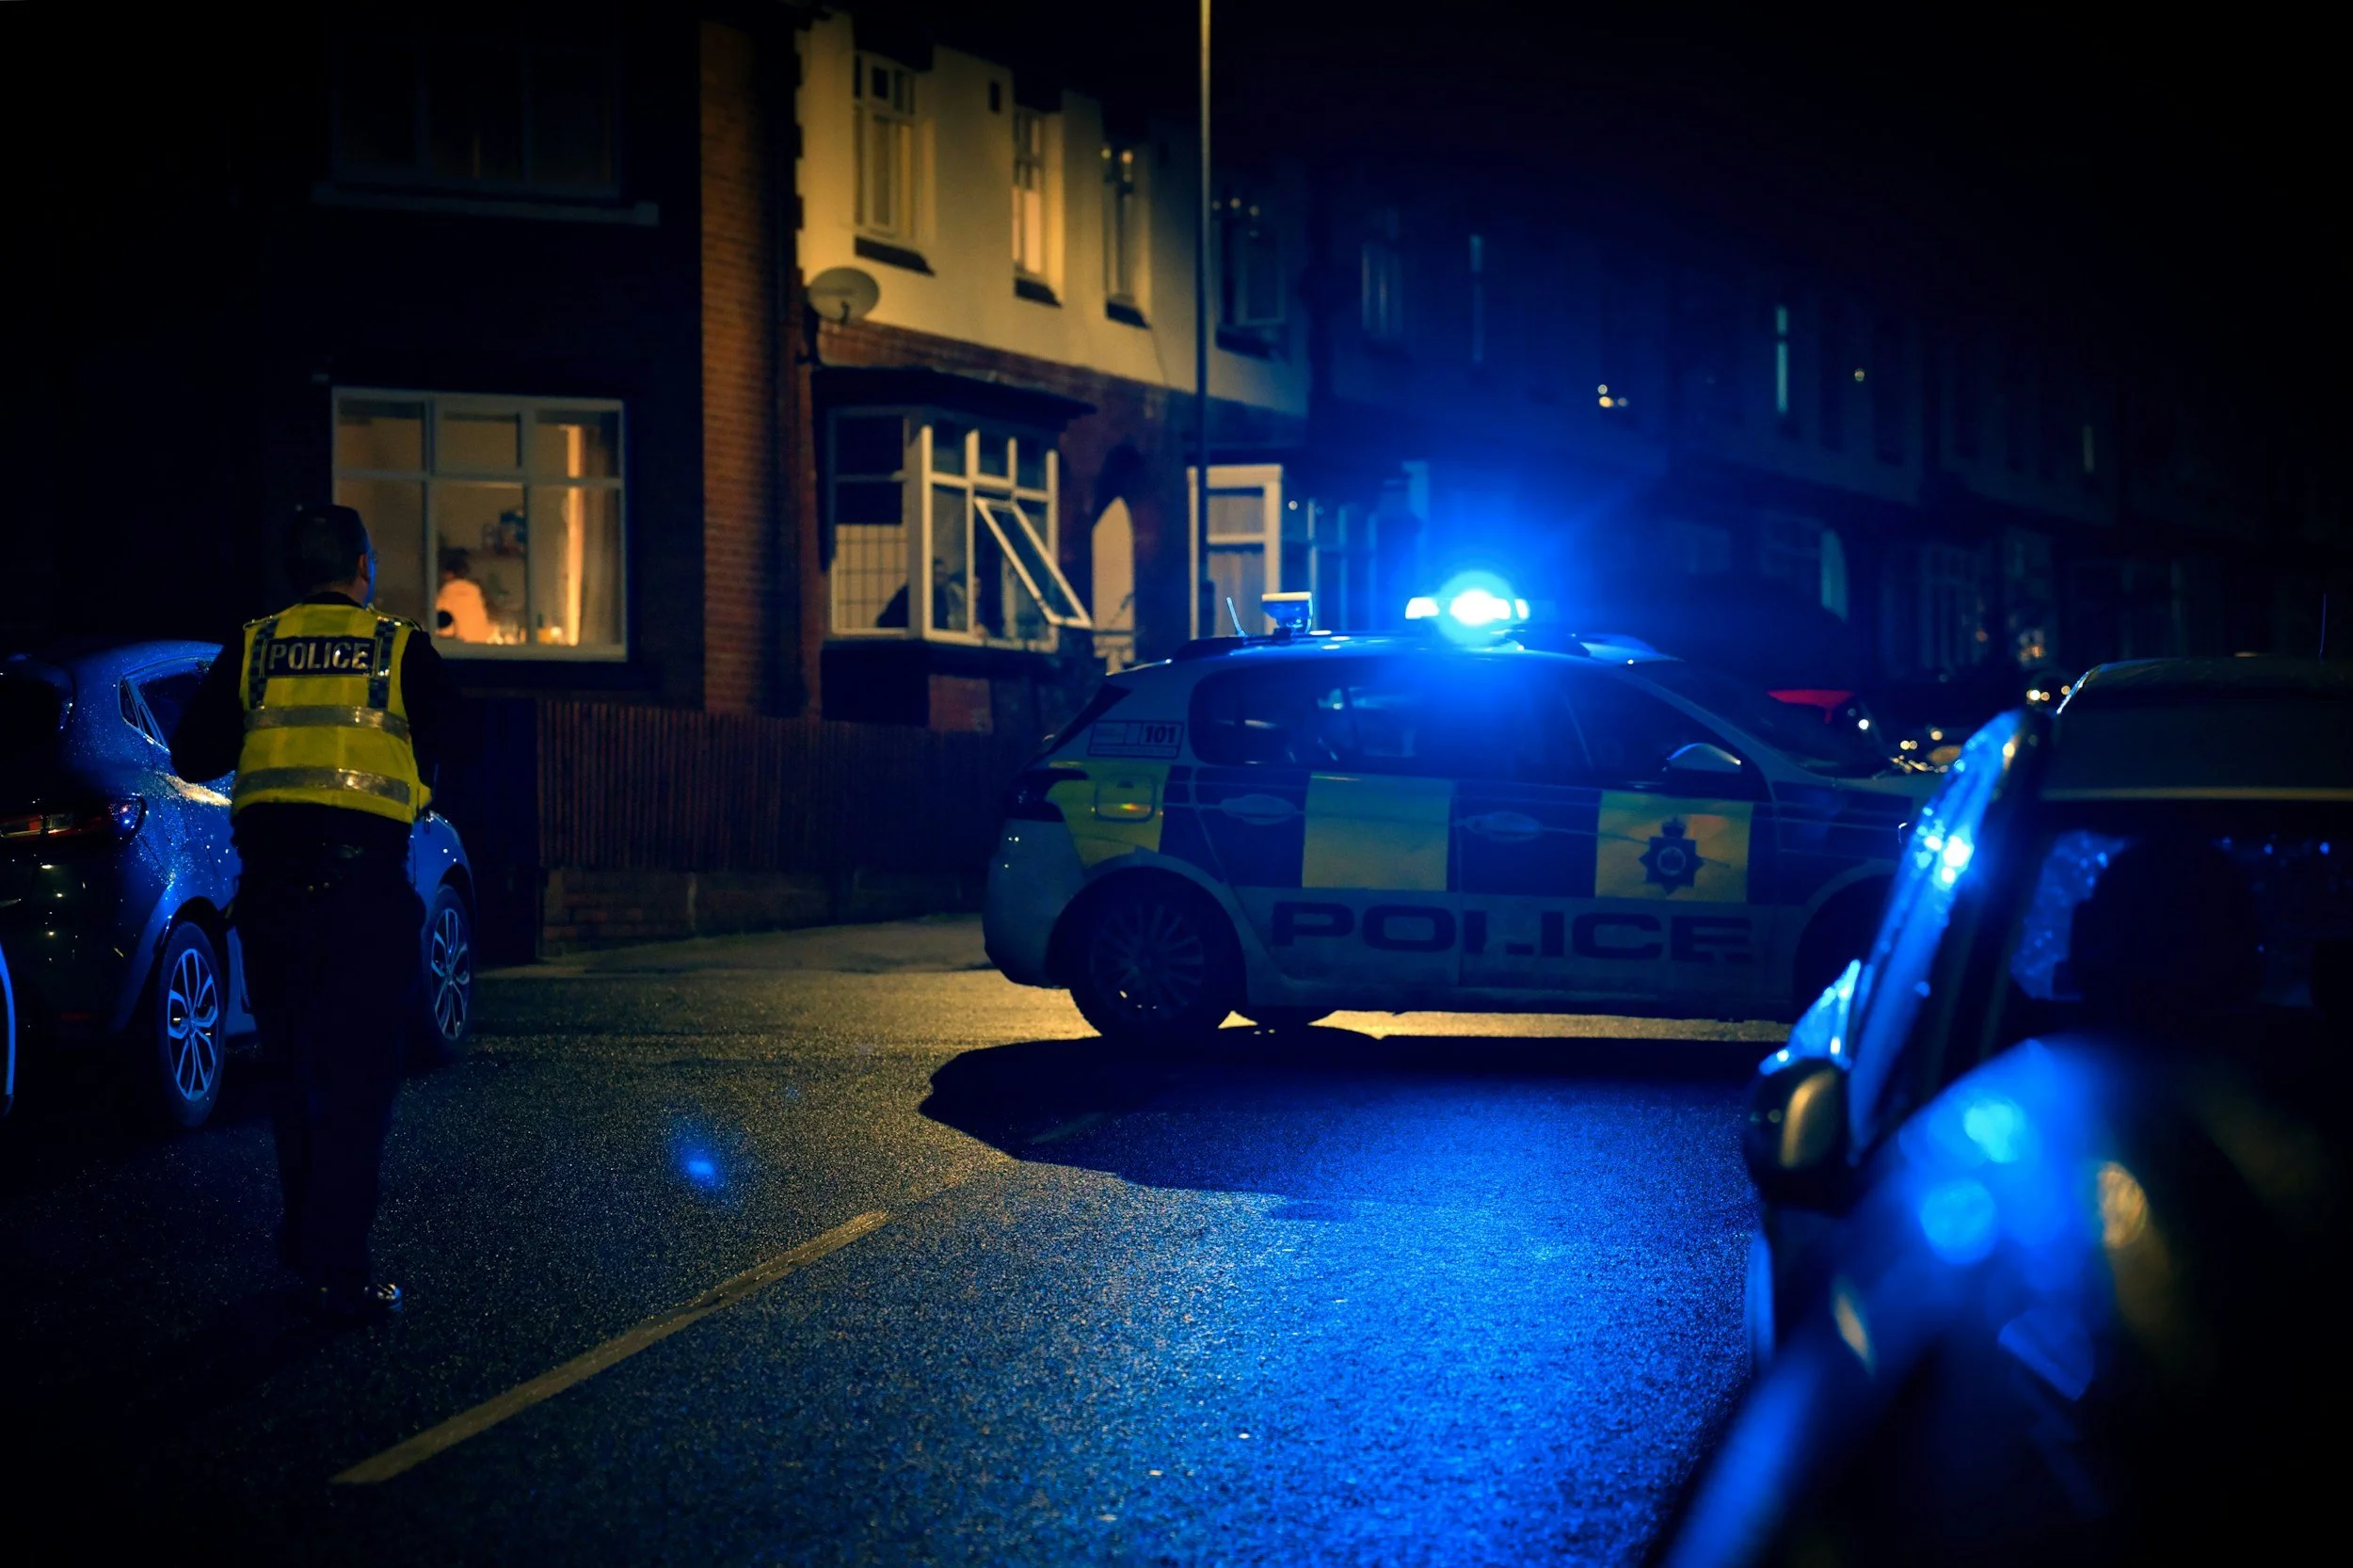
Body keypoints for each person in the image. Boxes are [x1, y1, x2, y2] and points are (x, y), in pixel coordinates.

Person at [172, 504, 463, 1321]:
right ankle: (340, 1270)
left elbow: (194, 752)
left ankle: (306, 1246)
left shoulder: (256, 646)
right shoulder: (397, 648)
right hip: (364, 899)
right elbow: (466, 738)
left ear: (297, 571)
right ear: (363, 568)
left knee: (296, 1080)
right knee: (359, 1086)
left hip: (272, 902)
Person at [435, 547, 494, 642]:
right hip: (479, 645)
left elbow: (440, 629)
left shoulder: (445, 594)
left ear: (448, 574)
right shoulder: (476, 592)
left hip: (454, 649)